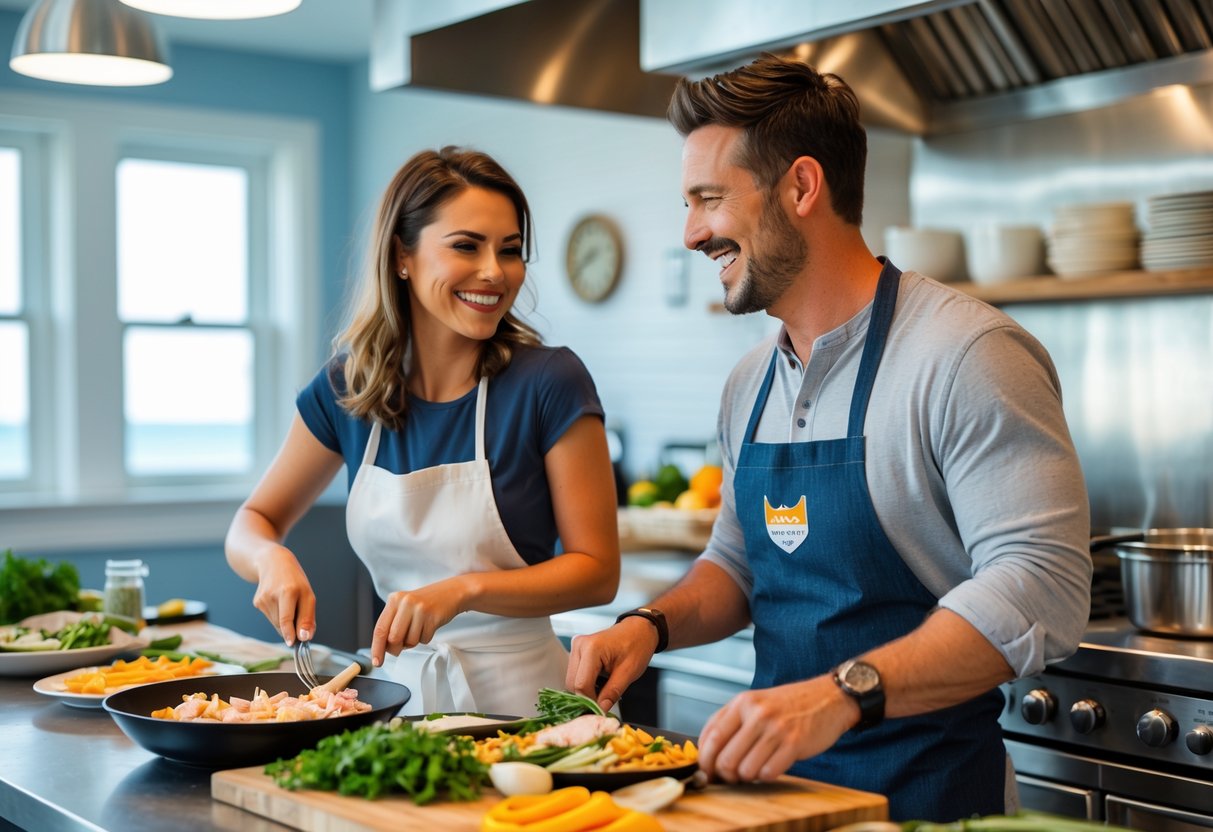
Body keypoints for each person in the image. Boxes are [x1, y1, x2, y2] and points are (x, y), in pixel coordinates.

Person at [566, 56, 1092, 821]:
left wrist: (841, 695)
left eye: (708, 200)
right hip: (774, 801)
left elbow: (1040, 583)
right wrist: (650, 625)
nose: (691, 233)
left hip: (925, 800)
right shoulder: (750, 381)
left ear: (801, 187)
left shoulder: (966, 355)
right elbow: (738, 565)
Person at [226, 146, 620, 717]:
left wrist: (462, 591)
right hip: (396, 704)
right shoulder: (349, 386)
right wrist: (270, 560)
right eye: (466, 245)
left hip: (528, 710)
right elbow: (250, 523)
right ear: (402, 257)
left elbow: (597, 571)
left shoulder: (549, 381)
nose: (493, 271)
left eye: (510, 251)